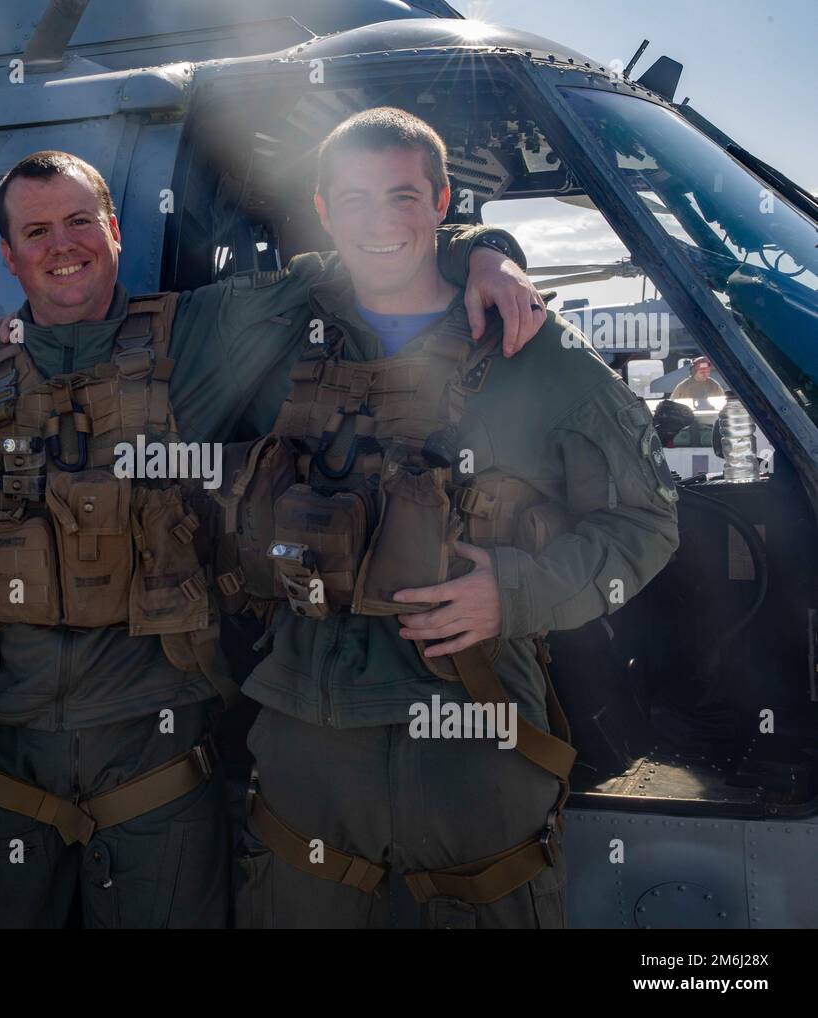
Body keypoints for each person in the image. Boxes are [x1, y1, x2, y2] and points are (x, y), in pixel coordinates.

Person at [0, 149, 540, 928]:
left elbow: (360, 256)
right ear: (10, 256)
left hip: (154, 770)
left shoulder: (190, 338)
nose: (62, 245)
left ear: (114, 231)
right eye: (36, 231)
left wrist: (486, 252)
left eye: (78, 221)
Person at [223, 108, 680, 928]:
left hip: (477, 742)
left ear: (440, 204)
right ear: (324, 210)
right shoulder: (286, 331)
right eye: (353, 200)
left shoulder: (534, 347)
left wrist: (517, 594)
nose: (378, 223)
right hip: (308, 740)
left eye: (402, 196)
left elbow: (646, 523)